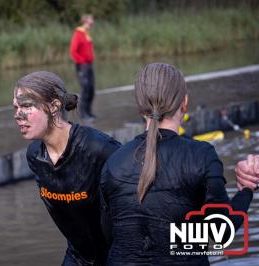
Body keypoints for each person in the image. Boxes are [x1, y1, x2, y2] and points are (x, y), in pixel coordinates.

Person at [100, 63, 256, 265]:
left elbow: (108, 235)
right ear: (184, 102)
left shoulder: (113, 162)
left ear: (139, 107)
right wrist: (246, 189)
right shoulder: (201, 155)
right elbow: (221, 233)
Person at [13, 71, 121, 265]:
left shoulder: (99, 149)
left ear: (54, 106)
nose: (18, 115)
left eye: (27, 106)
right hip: (78, 257)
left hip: (116, 256)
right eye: (16, 107)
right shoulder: (35, 156)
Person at [70, 14, 96, 121]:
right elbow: (73, 51)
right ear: (85, 21)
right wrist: (82, 62)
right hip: (82, 66)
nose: (93, 21)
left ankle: (89, 112)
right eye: (91, 19)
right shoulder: (78, 34)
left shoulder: (86, 34)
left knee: (91, 89)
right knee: (85, 89)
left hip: (89, 65)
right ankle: (83, 114)